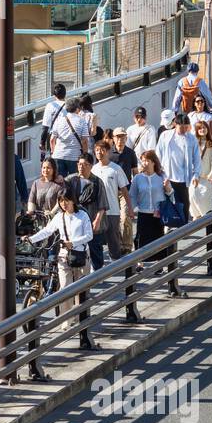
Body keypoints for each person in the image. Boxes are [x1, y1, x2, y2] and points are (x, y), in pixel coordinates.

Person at [26, 192, 96, 348]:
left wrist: (74, 242)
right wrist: (31, 238)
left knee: (80, 288)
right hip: (64, 256)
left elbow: (89, 235)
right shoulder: (59, 217)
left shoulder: (82, 216)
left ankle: (79, 317)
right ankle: (66, 319)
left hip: (81, 255)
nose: (64, 204)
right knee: (65, 287)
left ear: (73, 200)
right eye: (61, 201)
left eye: (66, 200)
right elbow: (47, 231)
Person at [130, 150, 181, 297]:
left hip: (158, 213)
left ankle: (158, 264)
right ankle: (140, 262)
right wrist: (130, 210)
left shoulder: (161, 177)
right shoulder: (138, 178)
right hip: (144, 212)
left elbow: (171, 196)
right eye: (142, 160)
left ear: (153, 162)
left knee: (158, 238)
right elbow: (133, 195)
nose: (144, 163)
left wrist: (168, 188)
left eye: (146, 160)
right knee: (141, 237)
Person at [88, 141, 131, 270]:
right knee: (96, 239)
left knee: (113, 238)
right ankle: (97, 266)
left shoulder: (116, 169)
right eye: (97, 150)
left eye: (102, 150)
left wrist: (130, 208)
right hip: (97, 211)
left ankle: (116, 263)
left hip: (113, 209)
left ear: (108, 152)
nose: (99, 153)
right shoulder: (93, 169)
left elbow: (124, 190)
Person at [156, 111, 200, 218]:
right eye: (182, 127)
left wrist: (196, 174)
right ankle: (168, 225)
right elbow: (158, 154)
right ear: (176, 124)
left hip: (184, 178)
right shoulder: (165, 136)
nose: (184, 130)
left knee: (184, 205)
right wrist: (158, 172)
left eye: (186, 127)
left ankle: (183, 228)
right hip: (167, 176)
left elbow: (197, 158)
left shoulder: (191, 138)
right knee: (167, 203)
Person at [49, 97, 93, 179]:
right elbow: (84, 141)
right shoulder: (81, 121)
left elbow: (52, 140)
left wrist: (53, 152)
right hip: (74, 157)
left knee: (59, 182)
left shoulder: (59, 120)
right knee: (75, 182)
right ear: (77, 108)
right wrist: (85, 155)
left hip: (58, 155)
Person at [189, 121, 212, 219]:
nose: (202, 130)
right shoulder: (193, 143)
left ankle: (206, 218)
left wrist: (211, 175)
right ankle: (196, 217)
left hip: (206, 177)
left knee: (204, 198)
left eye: (204, 128)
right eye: (200, 128)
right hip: (195, 176)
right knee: (192, 195)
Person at [40, 82, 70, 156]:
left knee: (55, 163)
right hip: (69, 137)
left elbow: (45, 127)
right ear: (65, 94)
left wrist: (42, 142)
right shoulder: (69, 105)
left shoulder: (50, 105)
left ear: (54, 95)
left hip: (54, 138)